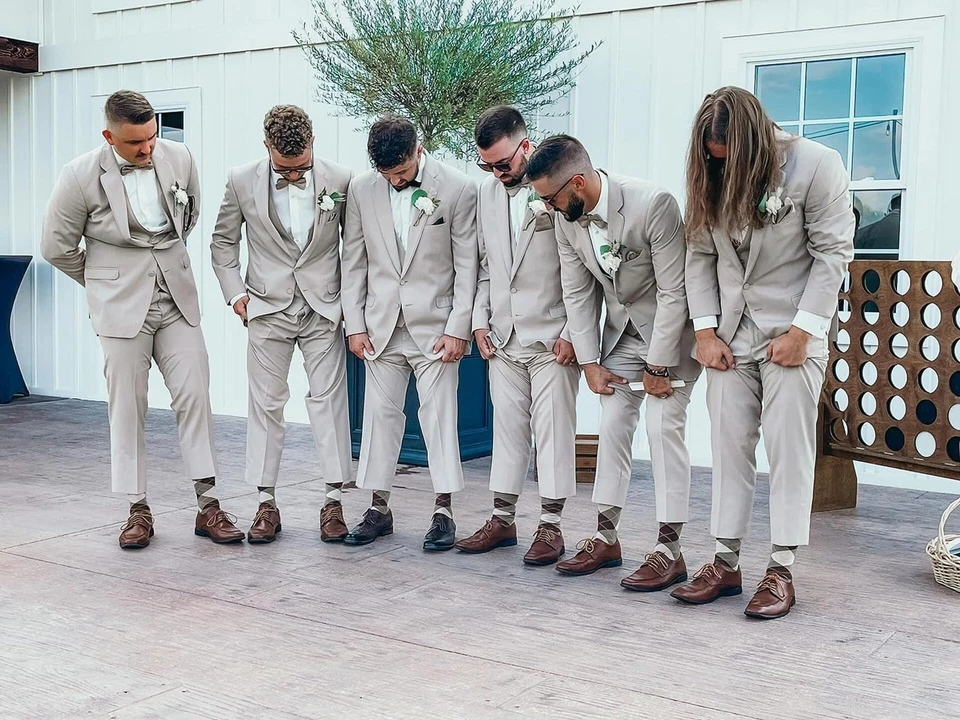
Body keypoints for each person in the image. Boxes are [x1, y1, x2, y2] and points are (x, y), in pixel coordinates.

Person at [678, 86, 854, 619]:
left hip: (792, 335)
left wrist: (803, 332)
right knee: (728, 445)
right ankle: (726, 561)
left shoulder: (817, 165)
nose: (720, 168)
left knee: (788, 448)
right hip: (730, 336)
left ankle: (781, 568)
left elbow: (832, 254)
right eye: (713, 160)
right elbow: (699, 255)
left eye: (727, 159)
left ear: (754, 142)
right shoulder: (708, 170)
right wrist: (705, 332)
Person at [41, 90, 243, 549]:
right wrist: (102, 281)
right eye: (135, 142)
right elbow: (55, 246)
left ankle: (208, 505)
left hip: (176, 298)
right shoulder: (78, 175)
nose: (147, 148)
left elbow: (188, 216)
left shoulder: (180, 156)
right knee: (128, 405)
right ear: (108, 136)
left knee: (195, 395)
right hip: (119, 307)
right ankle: (137, 509)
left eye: (151, 137)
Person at [527, 135, 701, 589]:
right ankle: (606, 538)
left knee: (662, 430)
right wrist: (589, 362)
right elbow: (577, 290)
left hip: (669, 336)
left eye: (549, 198)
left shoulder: (653, 204)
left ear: (577, 184)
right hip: (621, 335)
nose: (546, 207)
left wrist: (659, 366)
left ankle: (670, 550)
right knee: (612, 426)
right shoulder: (566, 219)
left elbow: (674, 291)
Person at [210, 105, 354, 544]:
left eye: (301, 167)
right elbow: (223, 242)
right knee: (265, 405)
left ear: (313, 143)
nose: (294, 174)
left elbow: (355, 247)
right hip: (265, 308)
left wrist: (349, 305)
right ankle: (265, 503)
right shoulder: (240, 180)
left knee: (329, 403)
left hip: (323, 308)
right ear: (266, 147)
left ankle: (333, 502)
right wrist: (236, 295)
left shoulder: (341, 179)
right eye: (284, 168)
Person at [340, 116, 478, 551]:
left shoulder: (458, 187)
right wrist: (355, 325)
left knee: (439, 419)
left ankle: (444, 512)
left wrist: (458, 328)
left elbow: (468, 265)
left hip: (437, 328)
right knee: (379, 418)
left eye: (401, 172)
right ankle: (378, 508)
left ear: (419, 150)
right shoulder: (361, 189)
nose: (395, 181)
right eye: (387, 174)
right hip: (380, 326)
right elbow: (353, 261)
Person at [454, 107, 579, 566]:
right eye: (486, 165)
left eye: (503, 163)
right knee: (507, 431)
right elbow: (486, 265)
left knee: (553, 432)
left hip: (553, 337)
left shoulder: (555, 186)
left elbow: (581, 266)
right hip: (502, 336)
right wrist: (479, 321)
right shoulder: (486, 194)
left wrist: (573, 331)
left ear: (525, 145)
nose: (496, 173)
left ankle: (551, 526)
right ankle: (502, 519)